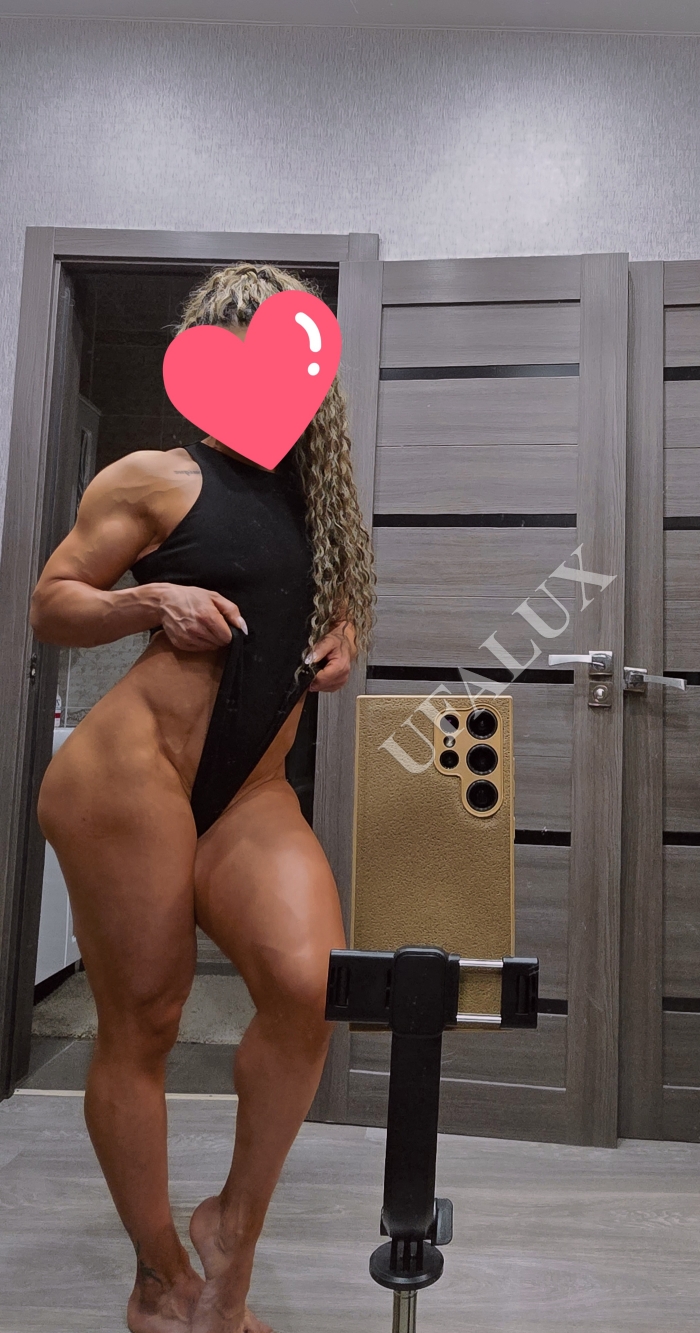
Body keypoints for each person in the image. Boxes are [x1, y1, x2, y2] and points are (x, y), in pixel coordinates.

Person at [30, 263, 375, 1333]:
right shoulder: (156, 478)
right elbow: (52, 601)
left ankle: (231, 1230)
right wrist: (153, 599)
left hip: (250, 789)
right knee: (147, 1016)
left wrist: (345, 638)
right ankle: (160, 1281)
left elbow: (320, 606)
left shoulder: (319, 502)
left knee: (312, 986)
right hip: (131, 774)